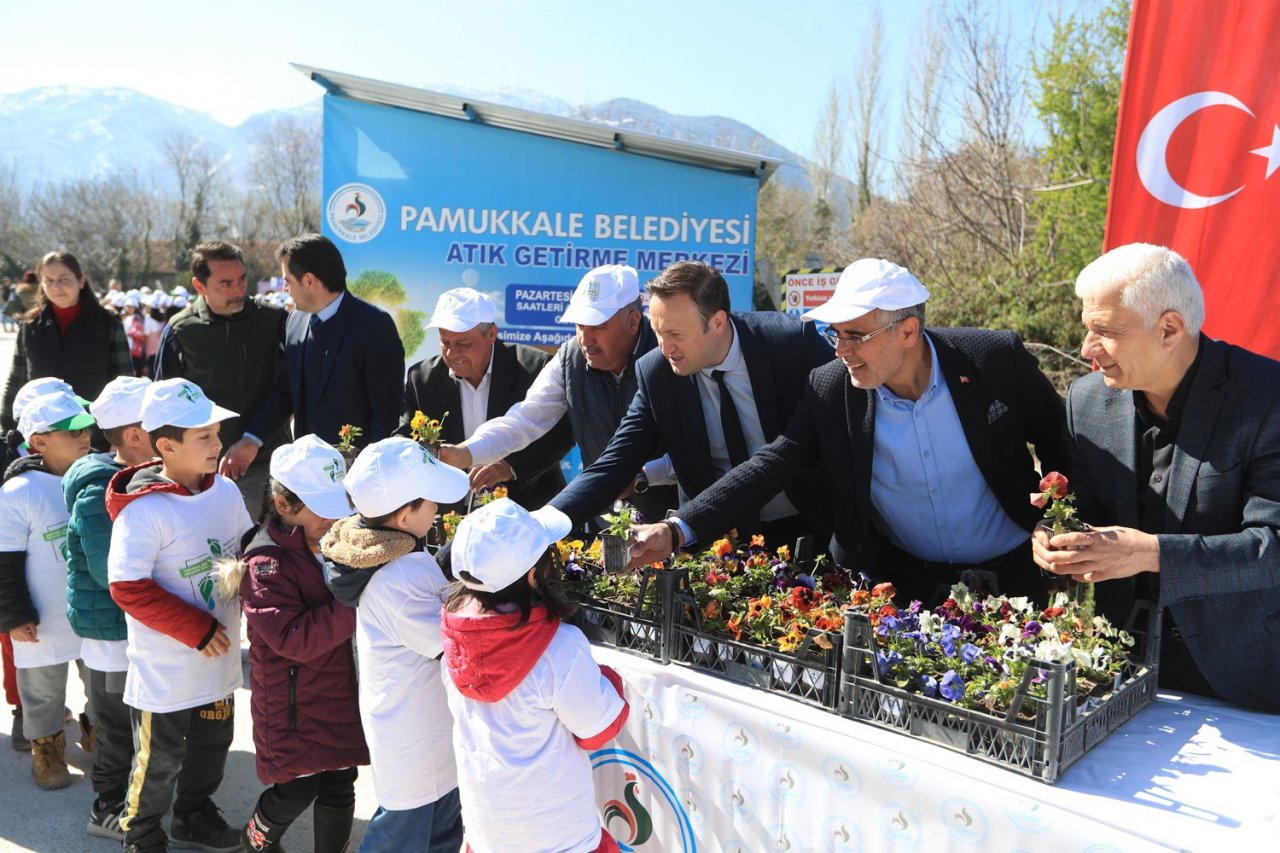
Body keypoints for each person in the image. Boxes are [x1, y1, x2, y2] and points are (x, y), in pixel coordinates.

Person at [630, 259, 1067, 605]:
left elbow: (1063, 444)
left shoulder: (993, 359)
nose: (841, 350)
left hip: (1016, 576)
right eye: (836, 335)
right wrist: (676, 529)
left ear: (908, 331)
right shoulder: (832, 387)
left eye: (856, 336)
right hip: (905, 588)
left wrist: (1059, 522)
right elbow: (772, 464)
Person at [1032, 243, 1280, 713]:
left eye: (1106, 331)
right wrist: (1054, 535)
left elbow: (1274, 548)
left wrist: (1149, 553)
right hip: (1119, 667)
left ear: (1170, 329)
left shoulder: (1269, 398)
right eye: (1087, 328)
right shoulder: (1086, 401)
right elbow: (1082, 506)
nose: (1087, 350)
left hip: (1250, 677)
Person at [548, 260, 834, 549]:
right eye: (658, 332)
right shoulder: (656, 372)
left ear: (718, 322)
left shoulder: (792, 343)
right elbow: (616, 463)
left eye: (676, 335)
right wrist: (543, 525)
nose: (664, 348)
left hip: (813, 526)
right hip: (716, 538)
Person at [105, 378, 253, 853]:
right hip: (166, 672)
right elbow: (127, 587)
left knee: (213, 746)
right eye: (204, 436)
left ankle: (193, 816)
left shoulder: (225, 491)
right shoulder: (143, 511)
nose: (217, 444)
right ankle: (142, 836)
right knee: (159, 761)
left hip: (218, 664)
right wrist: (197, 628)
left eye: (217, 433)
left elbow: (249, 549)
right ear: (166, 446)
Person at [442, 498, 630, 853]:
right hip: (560, 836)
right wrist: (609, 679)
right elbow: (599, 727)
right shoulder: (559, 648)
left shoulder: (452, 639)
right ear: (533, 575)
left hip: (489, 835)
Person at [319, 437, 469, 853]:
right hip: (415, 745)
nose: (437, 509)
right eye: (432, 501)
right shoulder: (398, 578)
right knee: (401, 839)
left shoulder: (394, 557)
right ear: (405, 516)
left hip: (425, 735)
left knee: (439, 835)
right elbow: (448, 643)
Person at [439, 265, 678, 525]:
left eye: (598, 326)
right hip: (605, 522)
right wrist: (464, 453)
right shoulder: (569, 359)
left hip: (675, 523)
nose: (585, 339)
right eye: (579, 326)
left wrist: (644, 476)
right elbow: (524, 419)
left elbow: (699, 445)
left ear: (632, 321)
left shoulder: (672, 357)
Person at [224, 436, 367, 853]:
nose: (336, 517)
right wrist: (357, 604)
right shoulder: (264, 564)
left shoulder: (338, 541)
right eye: (322, 507)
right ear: (284, 505)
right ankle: (255, 841)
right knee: (296, 789)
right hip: (292, 706)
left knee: (341, 780)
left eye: (341, 503)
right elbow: (292, 639)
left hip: (340, 693)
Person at [225, 233, 405, 477]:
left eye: (288, 280)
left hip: (357, 477)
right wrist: (252, 439)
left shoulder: (374, 326)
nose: (285, 288)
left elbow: (386, 413)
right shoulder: (295, 321)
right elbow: (286, 391)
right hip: (306, 475)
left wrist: (370, 475)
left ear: (309, 281)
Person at [63, 376, 153, 838]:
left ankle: (139, 797)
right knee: (116, 726)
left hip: (134, 625)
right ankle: (108, 806)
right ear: (135, 435)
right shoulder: (97, 490)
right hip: (111, 634)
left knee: (136, 723)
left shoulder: (143, 476)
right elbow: (109, 573)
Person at [398, 287, 572, 510]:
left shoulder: (534, 367)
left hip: (526, 508)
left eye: (464, 344)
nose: (452, 353)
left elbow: (561, 432)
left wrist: (509, 467)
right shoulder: (422, 379)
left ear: (492, 334)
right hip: (449, 512)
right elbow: (406, 437)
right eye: (445, 342)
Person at [0, 389, 95, 789]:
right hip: (41, 621)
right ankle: (47, 749)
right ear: (39, 442)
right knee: (41, 692)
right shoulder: (18, 492)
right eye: (71, 431)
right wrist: (14, 616)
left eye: (85, 427)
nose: (84, 436)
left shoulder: (97, 477)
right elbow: (4, 563)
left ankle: (99, 733)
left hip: (93, 613)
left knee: (103, 684)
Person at [154, 241, 288, 510]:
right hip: (203, 473)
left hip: (270, 463)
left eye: (242, 280)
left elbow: (288, 387)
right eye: (225, 284)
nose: (238, 290)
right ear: (199, 286)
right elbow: (165, 405)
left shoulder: (273, 321)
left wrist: (254, 438)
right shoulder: (181, 330)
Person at [0, 252, 132, 431]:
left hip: (94, 432)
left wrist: (121, 433)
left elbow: (124, 383)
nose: (56, 287)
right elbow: (17, 379)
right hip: (42, 433)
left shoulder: (108, 323)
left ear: (81, 280)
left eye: (64, 279)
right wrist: (7, 429)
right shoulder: (30, 326)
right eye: (48, 280)